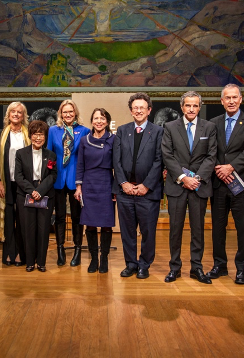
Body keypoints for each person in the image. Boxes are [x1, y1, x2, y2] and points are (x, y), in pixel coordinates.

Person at [207, 84, 244, 285]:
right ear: (222, 101)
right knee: (218, 228)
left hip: (241, 183)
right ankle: (219, 265)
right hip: (219, 183)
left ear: (240, 99)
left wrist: (230, 167)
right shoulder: (213, 123)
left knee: (242, 228)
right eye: (227, 98)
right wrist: (218, 169)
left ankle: (241, 268)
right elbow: (209, 150)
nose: (231, 101)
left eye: (234, 97)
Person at [162, 91, 217, 284]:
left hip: (199, 187)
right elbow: (167, 155)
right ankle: (174, 268)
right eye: (188, 105)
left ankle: (196, 268)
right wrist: (183, 178)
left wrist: (197, 179)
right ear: (182, 107)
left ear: (199, 107)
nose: (191, 109)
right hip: (177, 186)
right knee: (175, 229)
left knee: (198, 229)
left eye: (195, 105)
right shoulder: (170, 127)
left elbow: (211, 156)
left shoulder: (209, 127)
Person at [113, 92, 164, 279]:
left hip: (148, 193)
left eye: (142, 107)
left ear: (149, 110)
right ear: (131, 111)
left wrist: (146, 185)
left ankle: (144, 265)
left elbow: (159, 161)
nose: (139, 111)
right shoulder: (122, 130)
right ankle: (131, 264)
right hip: (125, 192)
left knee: (148, 232)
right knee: (127, 232)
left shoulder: (158, 131)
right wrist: (123, 183)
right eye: (135, 108)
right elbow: (116, 160)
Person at [46, 100, 90, 266]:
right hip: (57, 179)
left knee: (77, 217)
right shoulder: (53, 130)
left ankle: (77, 250)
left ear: (75, 112)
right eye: (65, 112)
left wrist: (82, 182)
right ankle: (60, 249)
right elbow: (49, 155)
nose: (68, 114)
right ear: (60, 114)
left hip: (76, 180)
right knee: (60, 216)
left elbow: (86, 158)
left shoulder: (84, 131)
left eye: (71, 111)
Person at [74, 108, 115, 273]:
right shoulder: (84, 140)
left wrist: (116, 188)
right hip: (89, 184)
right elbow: (80, 165)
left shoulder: (113, 139)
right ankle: (93, 259)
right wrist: (79, 187)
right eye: (96, 118)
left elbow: (118, 165)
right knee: (90, 225)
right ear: (92, 121)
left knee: (106, 225)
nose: (99, 121)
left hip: (106, 184)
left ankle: (104, 258)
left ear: (107, 121)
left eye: (102, 118)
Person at [14, 120, 57, 272]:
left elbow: (52, 175)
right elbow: (18, 176)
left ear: (45, 137)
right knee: (28, 229)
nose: (38, 138)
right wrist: (32, 191)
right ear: (30, 135)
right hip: (26, 194)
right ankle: (29, 262)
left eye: (41, 134)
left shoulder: (51, 154)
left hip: (45, 194)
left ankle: (41, 262)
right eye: (35, 134)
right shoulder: (21, 153)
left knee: (43, 229)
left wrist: (40, 190)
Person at [0, 102, 31, 266]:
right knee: (9, 220)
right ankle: (9, 254)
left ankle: (21, 255)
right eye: (13, 112)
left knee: (22, 220)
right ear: (8, 115)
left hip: (24, 183)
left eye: (19, 112)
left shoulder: (28, 134)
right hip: (6, 183)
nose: (16, 114)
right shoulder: (1, 134)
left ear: (24, 116)